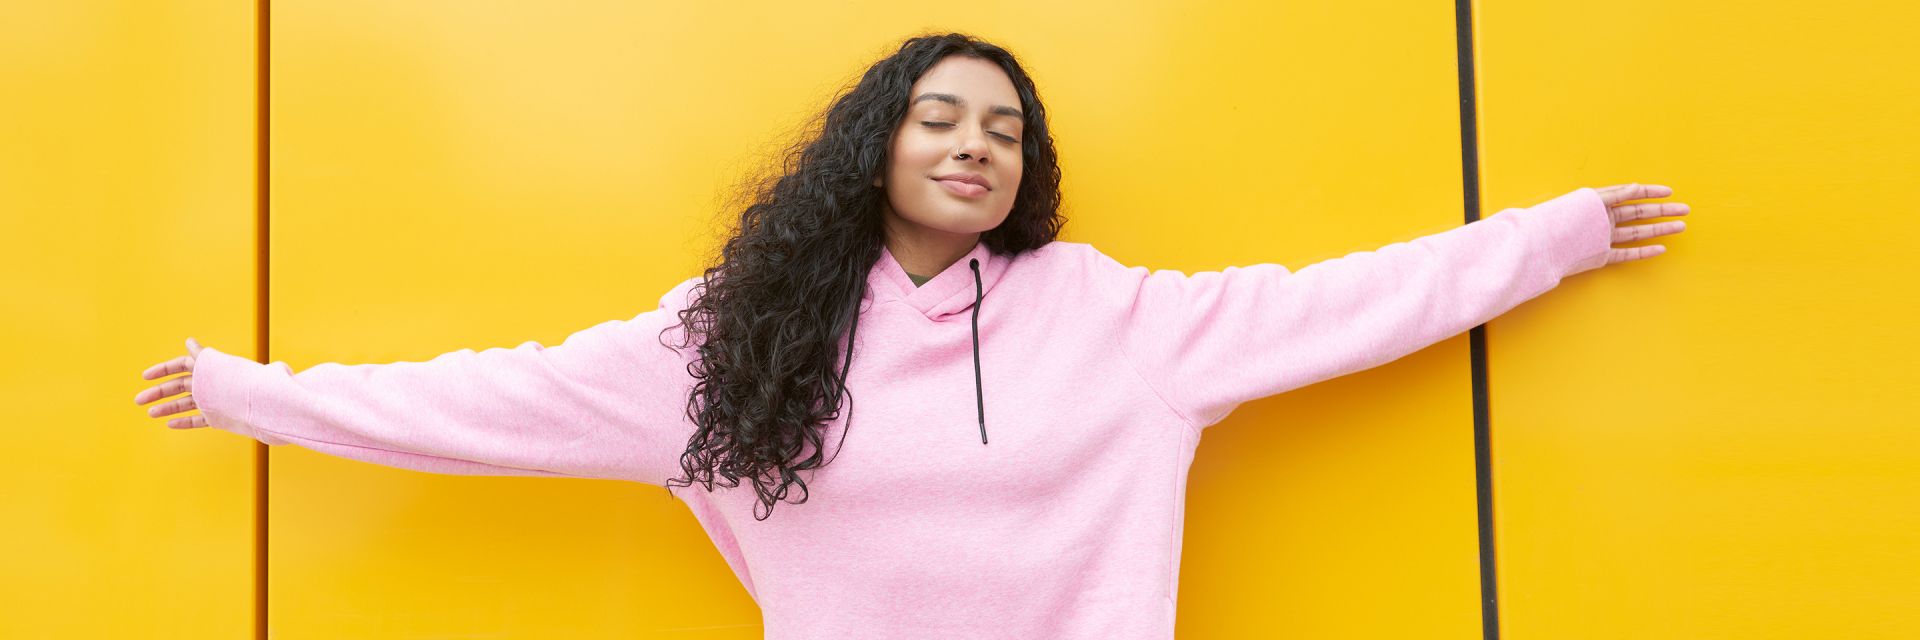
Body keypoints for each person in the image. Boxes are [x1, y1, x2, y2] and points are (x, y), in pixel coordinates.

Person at [133, 32, 1688, 639]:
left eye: (1004, 129)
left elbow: (1344, 301)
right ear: (873, 145)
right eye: (940, 117)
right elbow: (490, 403)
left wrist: (1541, 243)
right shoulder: (731, 348)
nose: (975, 145)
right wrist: (248, 395)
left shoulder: (1111, 317)